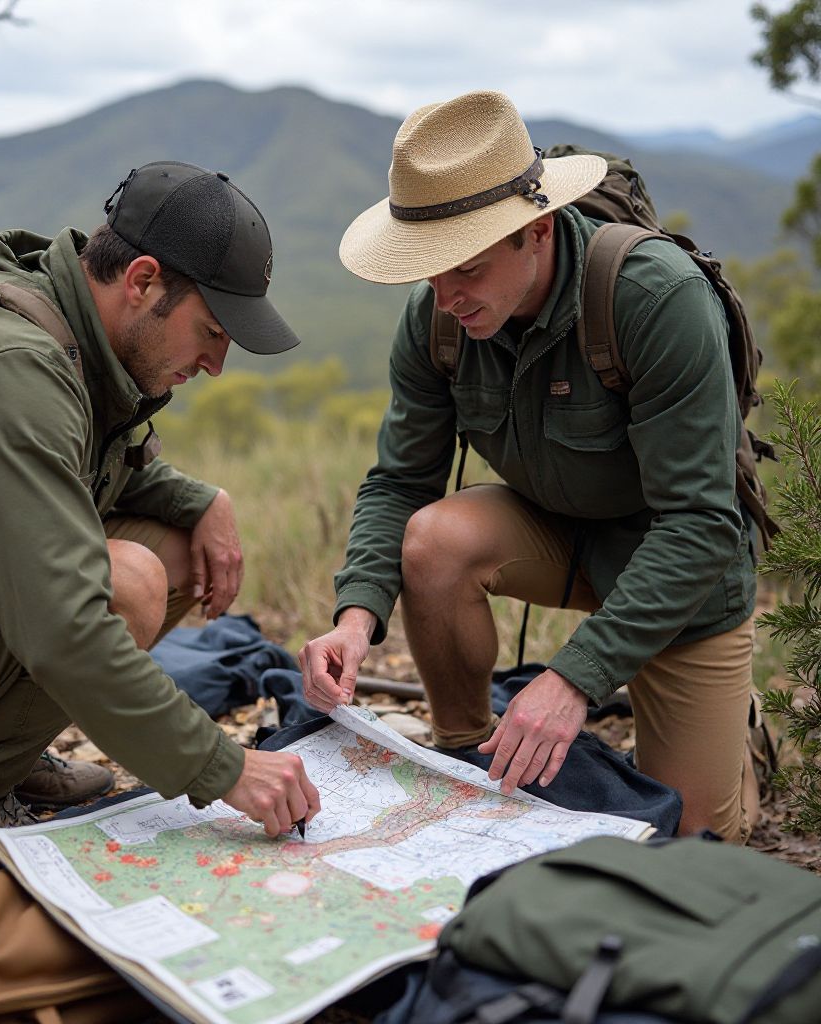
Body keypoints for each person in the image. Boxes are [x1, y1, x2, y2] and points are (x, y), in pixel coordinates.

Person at [0, 161, 320, 855]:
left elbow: (83, 467)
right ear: (142, 281)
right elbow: (62, 626)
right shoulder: (10, 364)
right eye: (212, 331)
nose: (216, 364)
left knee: (171, 544)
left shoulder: (73, 334)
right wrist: (225, 769)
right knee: (124, 582)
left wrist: (201, 502)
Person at [299, 92, 759, 843]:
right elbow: (401, 481)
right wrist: (354, 621)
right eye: (431, 271)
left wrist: (573, 678)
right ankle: (465, 757)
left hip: (676, 567)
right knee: (434, 539)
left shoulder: (657, 299)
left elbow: (701, 524)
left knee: (692, 842)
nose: (447, 297)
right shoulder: (439, 318)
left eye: (467, 269)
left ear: (537, 230)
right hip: (551, 530)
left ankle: (741, 740)